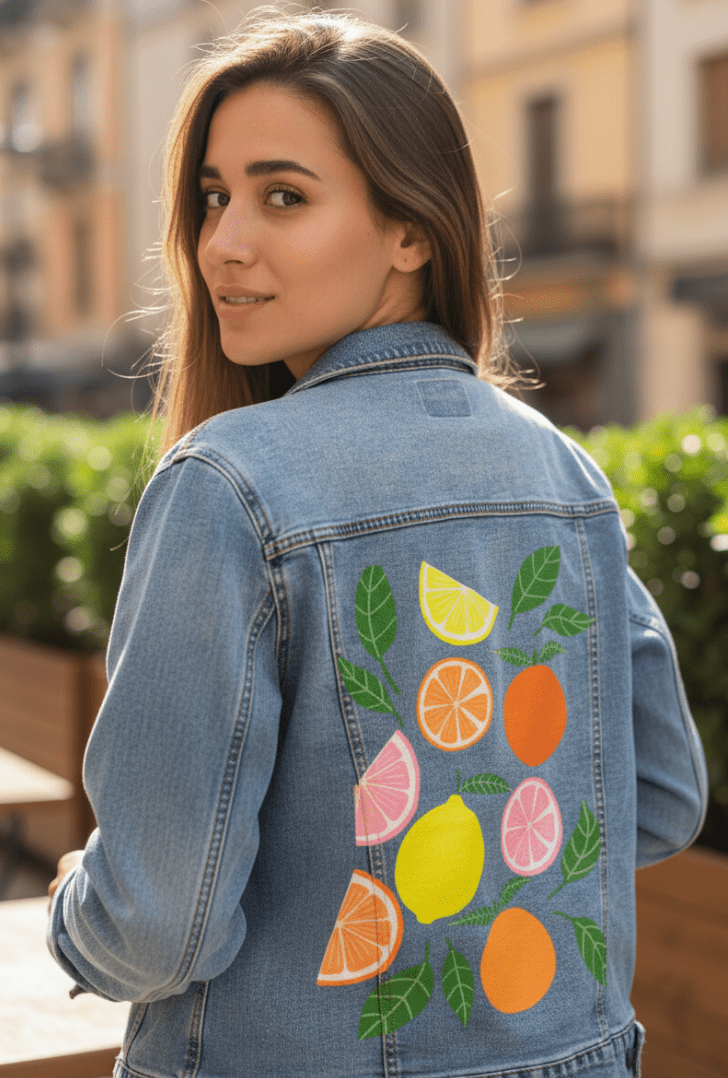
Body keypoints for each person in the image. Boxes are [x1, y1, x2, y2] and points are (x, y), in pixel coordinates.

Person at [47, 9, 708, 1078]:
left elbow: (155, 923)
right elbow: (662, 796)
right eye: (214, 197)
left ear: (412, 229)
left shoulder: (228, 484)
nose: (222, 241)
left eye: (283, 196)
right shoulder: (562, 472)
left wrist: (73, 910)